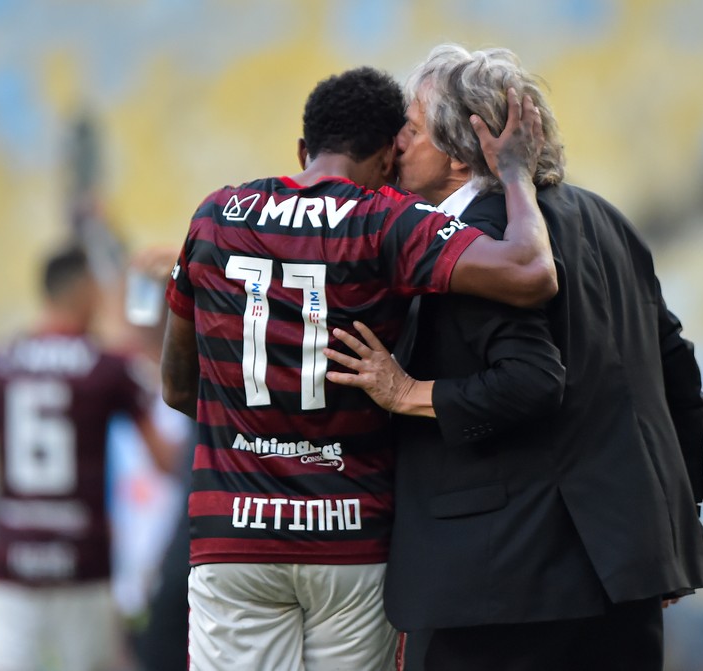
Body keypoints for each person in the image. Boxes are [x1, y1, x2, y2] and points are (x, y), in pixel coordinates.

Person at [325, 45, 703, 670]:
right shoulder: (605, 218)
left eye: (411, 128)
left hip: (502, 586)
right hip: (624, 572)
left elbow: (530, 381)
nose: (395, 143)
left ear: (460, 152)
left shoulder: (473, 245)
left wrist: (406, 392)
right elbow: (679, 374)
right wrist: (672, 523)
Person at [161, 66, 556, 671]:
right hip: (351, 535)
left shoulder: (215, 216)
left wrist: (259, 433)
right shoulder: (386, 219)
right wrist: (515, 173)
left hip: (234, 535)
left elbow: (176, 386)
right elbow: (531, 272)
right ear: (387, 155)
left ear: (304, 149)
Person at [0, 246, 177, 671]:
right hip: (83, 565)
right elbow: (166, 461)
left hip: (12, 562)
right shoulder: (107, 368)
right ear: (83, 291)